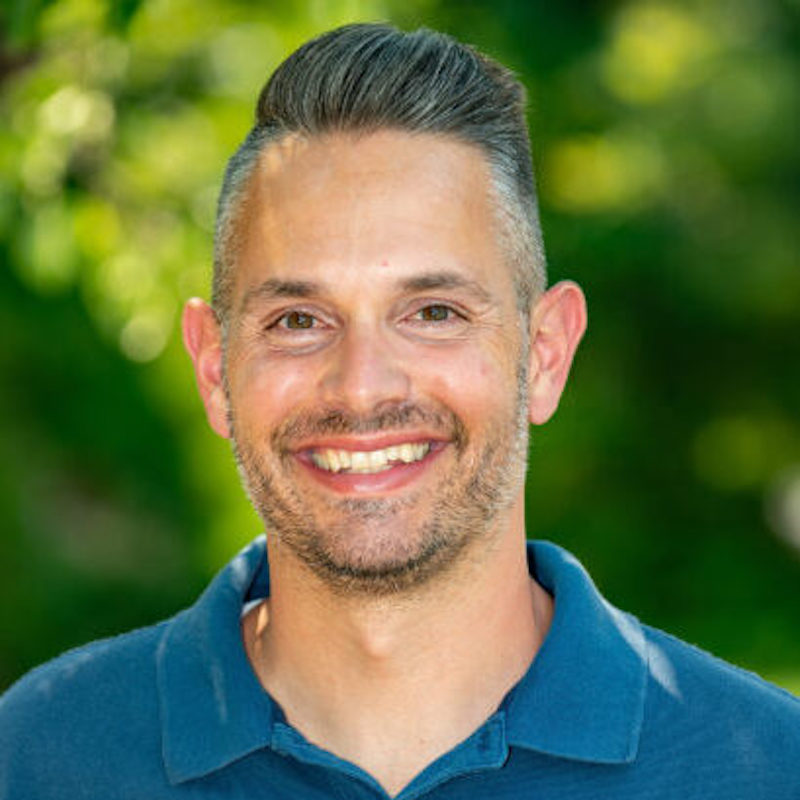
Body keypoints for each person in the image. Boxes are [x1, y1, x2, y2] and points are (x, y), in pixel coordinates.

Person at [1, 22, 798, 800]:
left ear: (546, 353)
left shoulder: (766, 768)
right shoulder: (37, 757)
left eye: (434, 312)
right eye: (297, 321)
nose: (362, 388)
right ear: (214, 369)